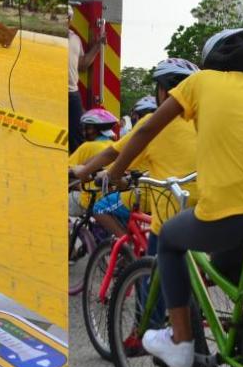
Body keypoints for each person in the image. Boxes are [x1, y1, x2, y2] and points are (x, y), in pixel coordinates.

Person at [103, 28, 243, 367]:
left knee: (169, 238)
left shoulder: (201, 82)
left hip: (229, 209)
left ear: (213, 58)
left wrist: (114, 172)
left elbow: (146, 129)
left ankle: (180, 340)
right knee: (229, 264)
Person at [71, 59, 198, 244]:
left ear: (162, 91)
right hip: (207, 205)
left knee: (101, 209)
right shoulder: (201, 121)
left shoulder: (153, 123)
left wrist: (86, 172)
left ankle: (130, 247)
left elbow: (113, 155)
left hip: (168, 207)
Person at [68, 108, 128, 236]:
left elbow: (68, 169)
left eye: (86, 128)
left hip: (90, 199)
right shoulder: (114, 145)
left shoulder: (87, 147)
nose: (84, 131)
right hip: (113, 196)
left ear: (92, 129)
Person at [68, 11, 105, 153]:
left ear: (70, 19)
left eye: (67, 17)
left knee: (76, 136)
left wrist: (98, 46)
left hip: (72, 93)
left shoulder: (75, 39)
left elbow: (82, 65)